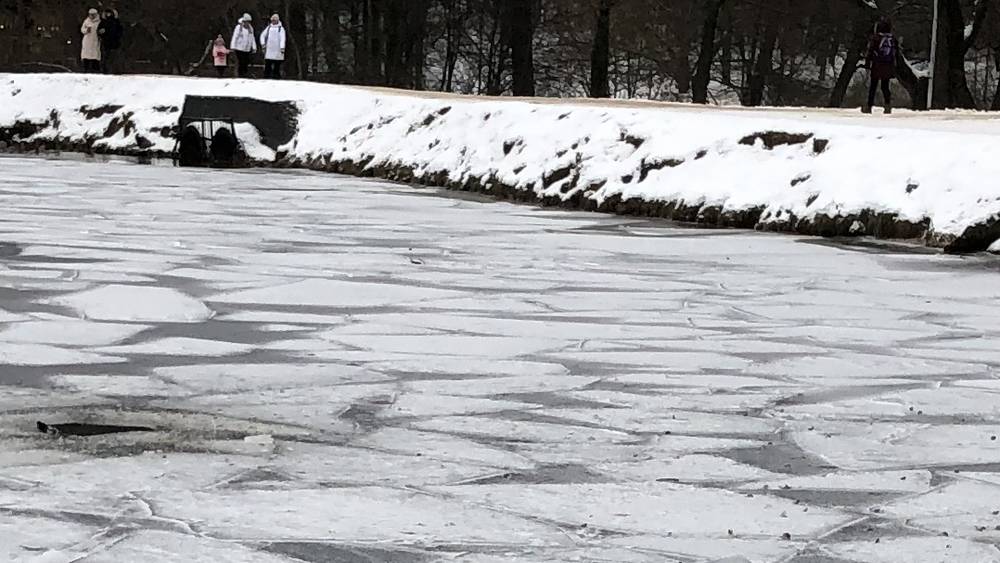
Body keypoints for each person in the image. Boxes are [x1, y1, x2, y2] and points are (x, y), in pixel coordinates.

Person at [864, 19, 897, 114]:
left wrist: (867, 63)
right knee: (885, 86)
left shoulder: (876, 38)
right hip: (887, 66)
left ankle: (869, 106)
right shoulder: (892, 39)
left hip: (877, 65)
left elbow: (870, 51)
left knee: (873, 86)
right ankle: (887, 105)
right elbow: (896, 53)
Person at [259, 14, 286, 79]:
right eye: (272, 20)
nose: (273, 21)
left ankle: (276, 77)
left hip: (278, 50)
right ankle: (266, 77)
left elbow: (283, 38)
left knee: (277, 65)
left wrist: (282, 47)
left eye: (275, 20)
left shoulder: (281, 29)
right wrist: (263, 44)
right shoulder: (268, 28)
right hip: (269, 50)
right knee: (268, 65)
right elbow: (262, 35)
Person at [98, 8, 124, 74]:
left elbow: (120, 31)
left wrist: (117, 36)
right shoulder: (103, 22)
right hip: (106, 42)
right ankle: (105, 70)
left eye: (109, 13)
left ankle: (116, 70)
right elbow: (99, 31)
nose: (108, 14)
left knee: (115, 57)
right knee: (106, 57)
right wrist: (101, 33)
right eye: (107, 13)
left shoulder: (116, 21)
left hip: (115, 42)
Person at [230, 13, 257, 78]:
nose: (247, 23)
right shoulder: (239, 27)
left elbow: (252, 38)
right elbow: (235, 37)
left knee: (246, 62)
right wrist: (232, 46)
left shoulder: (250, 28)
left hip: (247, 49)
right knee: (241, 62)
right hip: (239, 48)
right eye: (246, 22)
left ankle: (245, 74)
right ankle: (241, 75)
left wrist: (254, 47)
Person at [80, 8, 101, 73]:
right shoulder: (86, 21)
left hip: (95, 40)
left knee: (95, 55)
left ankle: (95, 69)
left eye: (93, 15)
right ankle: (85, 69)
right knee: (86, 55)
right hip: (87, 40)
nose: (92, 16)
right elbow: (82, 29)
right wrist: (86, 30)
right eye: (90, 15)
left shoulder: (99, 22)